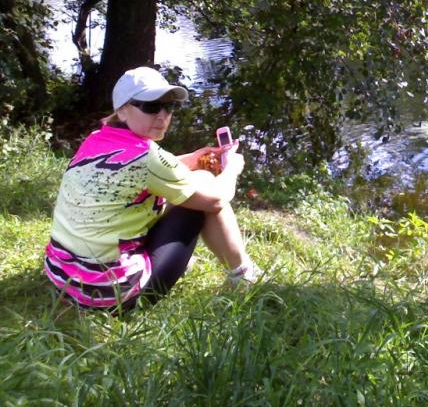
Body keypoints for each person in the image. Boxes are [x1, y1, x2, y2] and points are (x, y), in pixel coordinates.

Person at [43, 66, 263, 312]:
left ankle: (186, 261)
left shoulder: (96, 139)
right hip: (113, 296)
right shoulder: (147, 157)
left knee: (179, 189)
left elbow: (142, 172)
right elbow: (216, 200)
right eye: (150, 107)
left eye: (168, 107)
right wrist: (232, 168)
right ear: (123, 110)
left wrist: (191, 158)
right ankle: (243, 275)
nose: (162, 116)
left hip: (64, 279)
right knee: (201, 196)